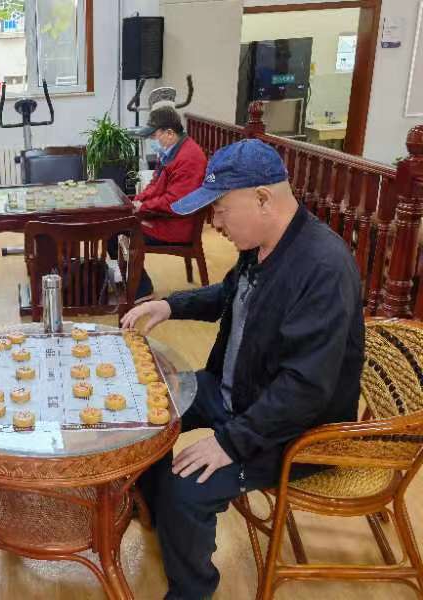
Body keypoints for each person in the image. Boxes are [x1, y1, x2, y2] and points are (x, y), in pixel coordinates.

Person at [121, 139, 365, 600]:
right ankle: (158, 512)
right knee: (149, 413)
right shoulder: (263, 244)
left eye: (220, 210)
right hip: (235, 392)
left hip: (293, 431)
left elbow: (304, 389)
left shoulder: (323, 267)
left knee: (187, 488)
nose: (215, 222)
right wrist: (169, 305)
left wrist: (229, 442)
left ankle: (191, 589)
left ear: (262, 199)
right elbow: (228, 295)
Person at [110, 106, 207, 300]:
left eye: (155, 136)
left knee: (114, 231)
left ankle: (142, 289)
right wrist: (137, 201)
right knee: (115, 224)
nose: (153, 141)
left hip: (176, 224)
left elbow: (175, 202)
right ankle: (132, 280)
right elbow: (155, 185)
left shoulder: (189, 158)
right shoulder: (173, 151)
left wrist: (142, 208)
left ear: (169, 133)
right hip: (165, 217)